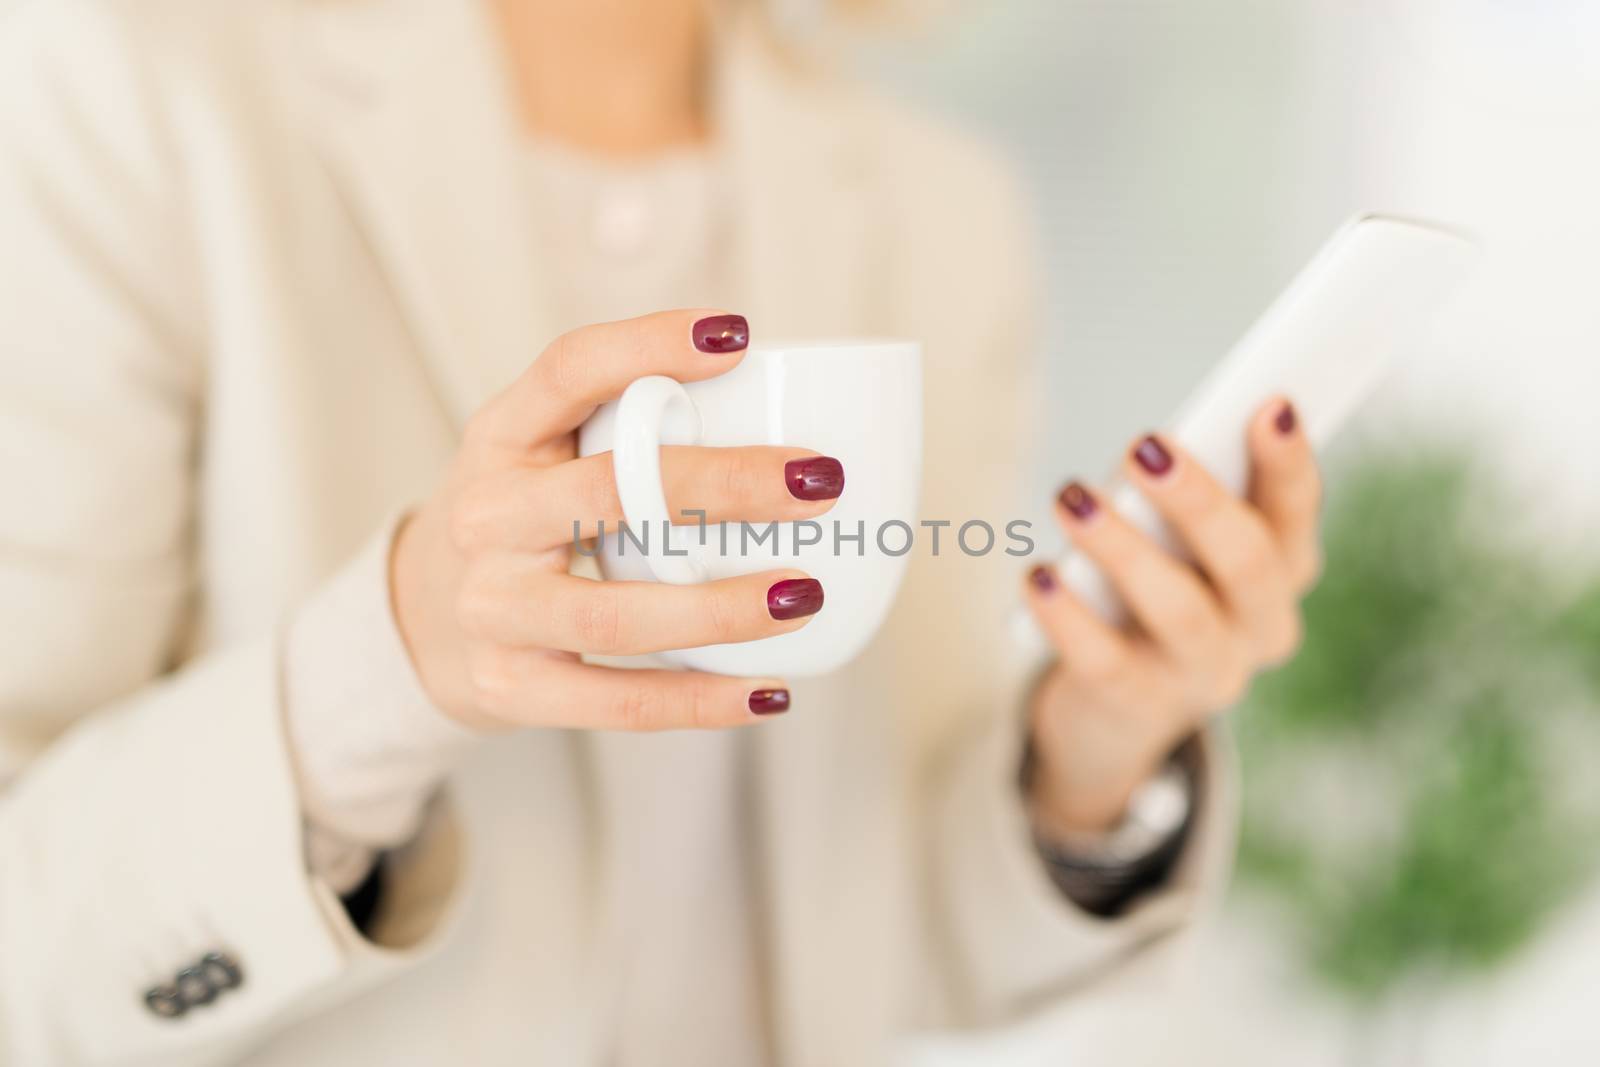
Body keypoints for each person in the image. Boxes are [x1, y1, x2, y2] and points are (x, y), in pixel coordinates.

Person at [0, 1, 1322, 1064]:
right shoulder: (127, 89)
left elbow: (898, 956)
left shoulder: (946, 209)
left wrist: (1083, 770)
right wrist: (386, 665)